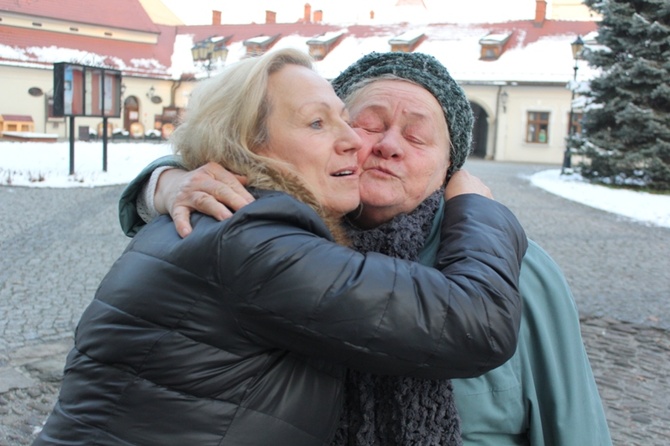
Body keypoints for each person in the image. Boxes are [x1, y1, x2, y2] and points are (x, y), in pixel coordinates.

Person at [35, 49, 527, 446]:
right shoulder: (254, 240)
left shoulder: (227, 217)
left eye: (342, 119)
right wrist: (478, 209)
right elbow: (475, 322)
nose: (356, 143)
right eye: (318, 123)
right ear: (249, 145)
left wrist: (162, 180)